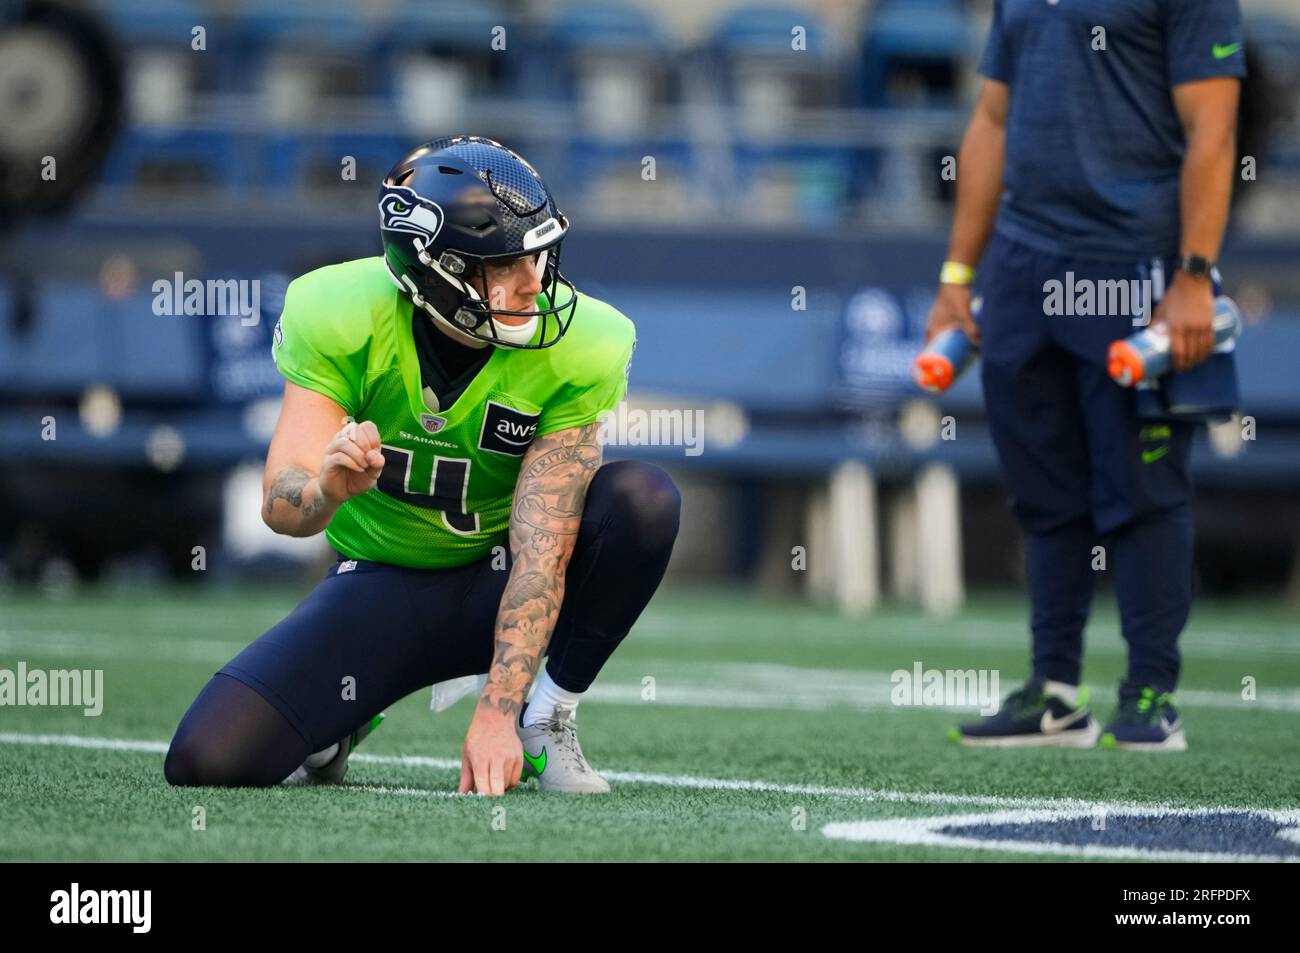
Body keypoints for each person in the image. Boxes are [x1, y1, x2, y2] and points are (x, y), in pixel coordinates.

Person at [165, 135, 680, 794]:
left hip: (501, 580)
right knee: (209, 759)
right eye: (507, 263)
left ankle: (547, 717)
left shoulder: (583, 344)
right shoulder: (340, 311)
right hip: (385, 584)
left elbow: (544, 547)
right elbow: (280, 505)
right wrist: (325, 489)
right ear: (437, 268)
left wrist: (500, 707)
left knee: (642, 500)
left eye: (540, 255)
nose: (535, 281)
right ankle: (348, 711)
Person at [928, 2, 1245, 750]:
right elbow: (992, 119)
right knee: (1043, 492)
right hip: (1021, 262)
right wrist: (955, 273)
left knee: (1143, 488)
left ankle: (1149, 694)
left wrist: (1195, 274)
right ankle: (1055, 693)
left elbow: (1214, 126)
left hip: (1135, 266)